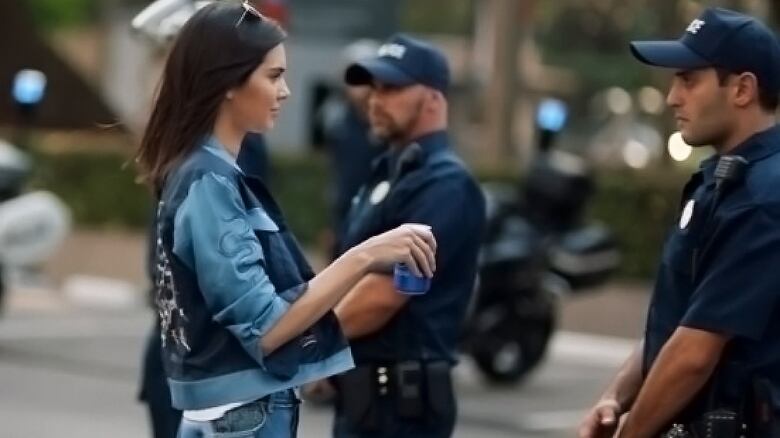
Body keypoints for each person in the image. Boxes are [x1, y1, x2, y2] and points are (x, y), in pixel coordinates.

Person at [134, 3, 437, 438]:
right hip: (242, 416)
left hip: (228, 412)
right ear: (227, 83)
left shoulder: (207, 171)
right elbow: (267, 327)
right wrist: (365, 256)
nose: (286, 91)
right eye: (273, 76)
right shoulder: (209, 180)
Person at [579, 7, 780, 438]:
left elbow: (695, 352)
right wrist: (616, 399)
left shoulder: (763, 197)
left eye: (689, 80)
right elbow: (676, 326)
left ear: (743, 89)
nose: (672, 97)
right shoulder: (723, 182)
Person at [326, 34, 486, 438]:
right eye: (374, 88)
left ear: (433, 98)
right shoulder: (388, 171)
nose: (376, 100)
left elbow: (382, 296)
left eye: (393, 88)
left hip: (403, 408)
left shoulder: (445, 184)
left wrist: (306, 344)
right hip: (362, 397)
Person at [137, 132, 271, 438]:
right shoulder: (210, 157)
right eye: (273, 80)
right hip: (202, 357)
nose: (282, 92)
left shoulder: (191, 145)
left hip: (186, 350)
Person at [319, 40, 384, 258]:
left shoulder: (386, 124)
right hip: (345, 222)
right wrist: (332, 225)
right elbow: (339, 177)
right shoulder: (338, 123)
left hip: (380, 223)